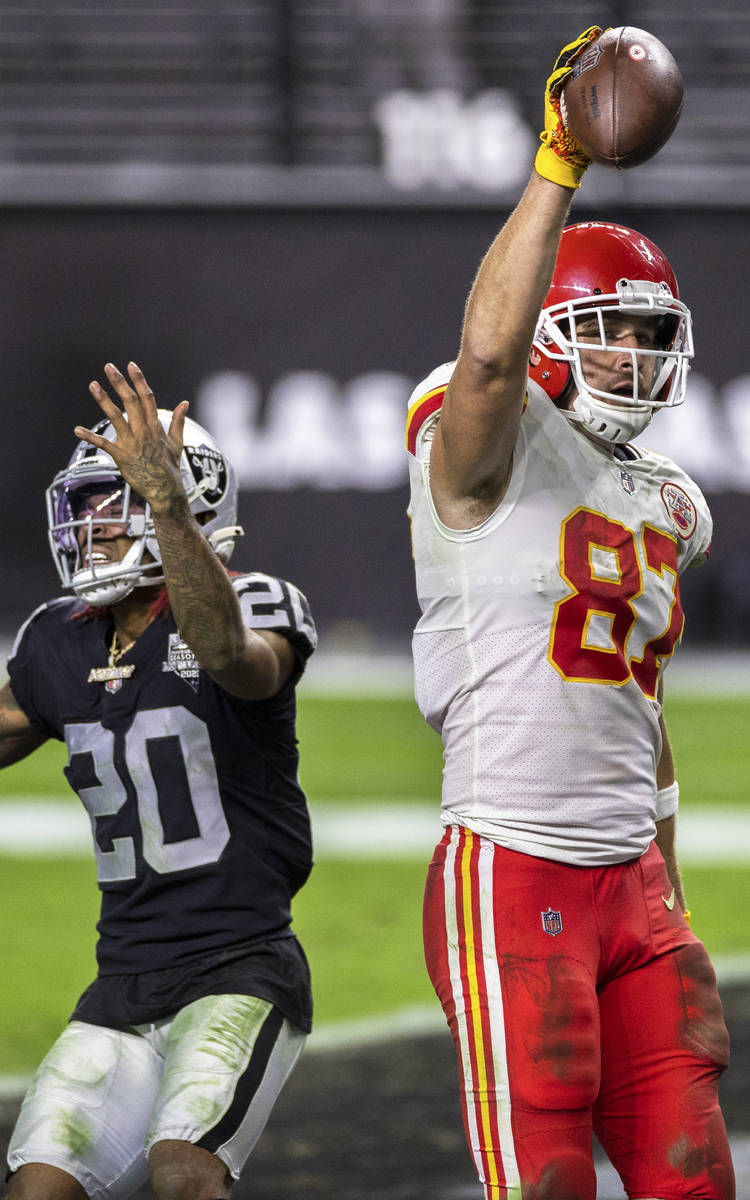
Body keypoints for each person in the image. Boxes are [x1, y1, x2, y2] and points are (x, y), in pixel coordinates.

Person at [406, 26, 735, 1200]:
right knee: (548, 1186)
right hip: (514, 866)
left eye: (655, 332)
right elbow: (487, 365)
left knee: (696, 1177)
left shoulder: (670, 503)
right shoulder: (477, 451)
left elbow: (643, 713)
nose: (639, 353)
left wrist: (672, 874)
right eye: (614, 326)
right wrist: (557, 165)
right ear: (554, 333)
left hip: (636, 887)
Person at [1, 362, 317, 1200]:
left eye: (121, 501)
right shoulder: (58, 639)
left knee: (184, 1174)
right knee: (38, 1188)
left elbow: (230, 659)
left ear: (190, 501)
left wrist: (167, 511)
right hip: (123, 978)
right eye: (92, 505)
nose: (96, 527)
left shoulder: (258, 603)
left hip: (240, 966)